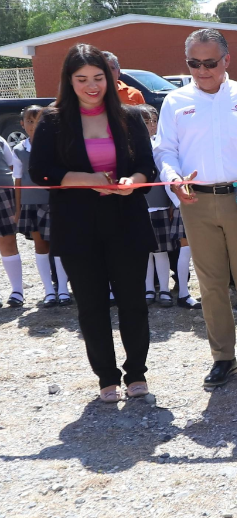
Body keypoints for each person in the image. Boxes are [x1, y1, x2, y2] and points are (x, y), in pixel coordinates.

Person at [28, 44, 158, 402]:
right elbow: (39, 172)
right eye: (82, 79)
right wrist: (80, 178)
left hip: (125, 222)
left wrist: (133, 181)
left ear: (111, 77)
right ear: (68, 81)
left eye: (98, 78)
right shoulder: (53, 121)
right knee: (91, 305)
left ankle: (136, 374)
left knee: (133, 302)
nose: (91, 86)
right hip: (78, 227)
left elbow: (148, 168)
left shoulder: (131, 118)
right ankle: (106, 377)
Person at [155, 28, 237, 389]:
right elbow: (165, 151)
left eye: (210, 63)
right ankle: (223, 357)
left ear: (226, 60)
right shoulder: (175, 102)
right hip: (197, 202)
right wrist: (174, 179)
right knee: (211, 284)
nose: (202, 70)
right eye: (194, 63)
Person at [13, 105, 71, 307]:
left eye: (38, 121)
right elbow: (17, 181)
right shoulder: (19, 150)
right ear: (22, 124)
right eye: (29, 121)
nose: (33, 126)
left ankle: (63, 289)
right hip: (30, 203)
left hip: (52, 202)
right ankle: (48, 291)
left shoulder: (54, 147)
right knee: (40, 246)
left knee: (58, 245)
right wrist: (18, 209)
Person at [138, 105, 175, 307]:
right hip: (139, 207)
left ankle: (165, 289)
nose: (150, 125)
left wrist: (171, 204)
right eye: (144, 121)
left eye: (153, 121)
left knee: (161, 251)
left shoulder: (161, 147)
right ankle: (148, 289)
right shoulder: (131, 147)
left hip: (160, 206)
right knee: (144, 252)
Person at [1, 129, 29, 307]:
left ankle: (17, 291)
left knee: (8, 241)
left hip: (3, 192)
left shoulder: (1, 141)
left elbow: (12, 166)